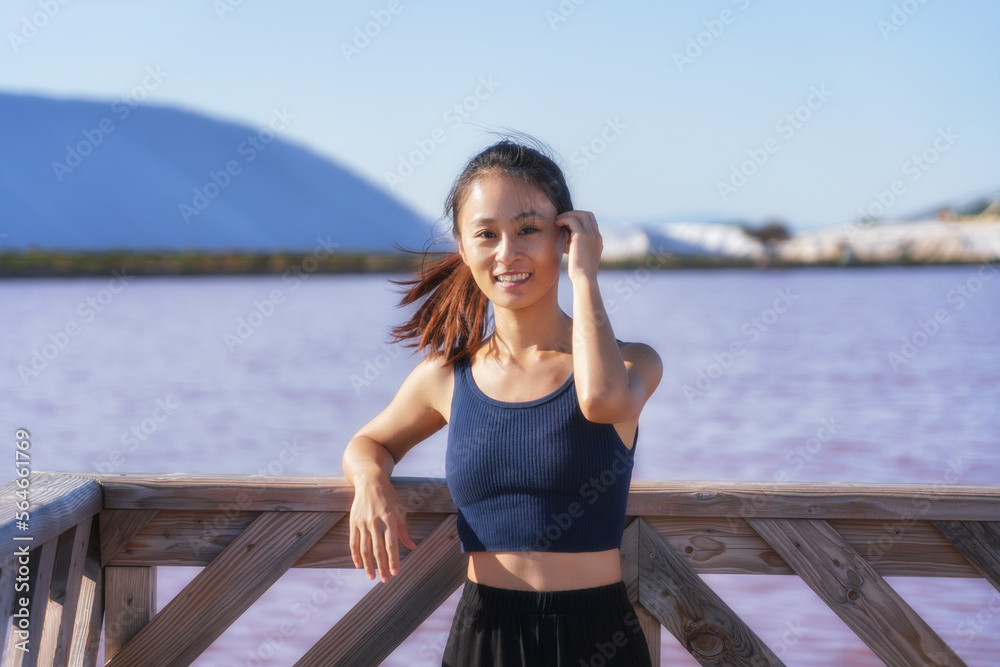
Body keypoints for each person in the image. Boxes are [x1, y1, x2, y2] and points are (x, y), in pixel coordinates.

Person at [341, 135, 662, 666]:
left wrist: (585, 277)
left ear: (566, 237)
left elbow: (602, 402)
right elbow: (370, 442)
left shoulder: (633, 362)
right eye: (486, 234)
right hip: (484, 637)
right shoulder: (447, 376)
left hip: (597, 639)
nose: (508, 253)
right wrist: (371, 481)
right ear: (464, 249)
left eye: (529, 230)